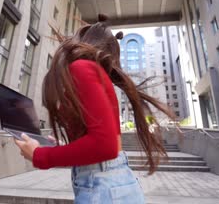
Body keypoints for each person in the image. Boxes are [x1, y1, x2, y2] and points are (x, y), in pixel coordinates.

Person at [15, 14, 175, 203]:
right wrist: (64, 147)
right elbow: (107, 142)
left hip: (103, 186)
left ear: (84, 41)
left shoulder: (82, 68)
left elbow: (105, 145)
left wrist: (40, 155)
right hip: (113, 183)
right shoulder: (96, 75)